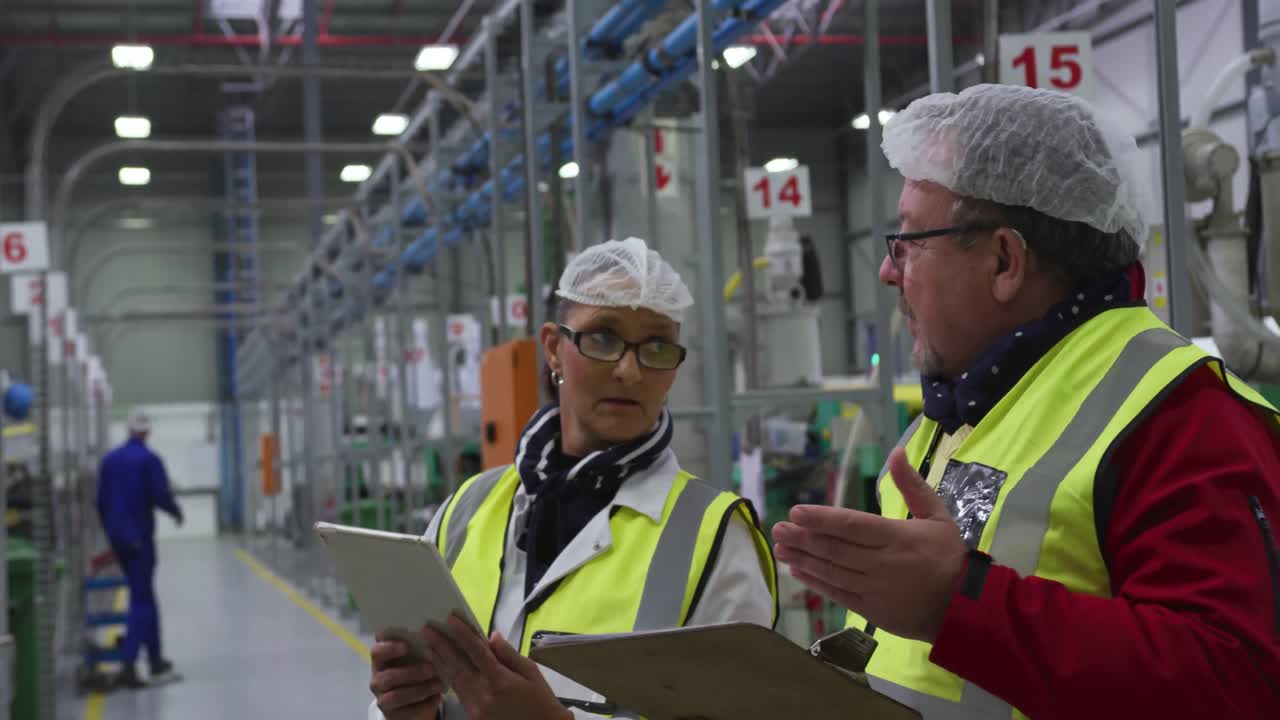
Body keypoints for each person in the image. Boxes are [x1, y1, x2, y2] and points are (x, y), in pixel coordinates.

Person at [772, 83, 1280, 718]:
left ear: (1005, 261)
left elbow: (1233, 683)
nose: (887, 271)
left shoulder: (1178, 414)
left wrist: (958, 604)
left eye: (907, 241)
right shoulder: (957, 411)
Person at [368, 237, 778, 719]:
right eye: (603, 337)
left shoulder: (714, 539)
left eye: (657, 347)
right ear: (553, 349)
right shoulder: (467, 511)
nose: (628, 370)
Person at [97, 407, 183, 689]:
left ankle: (155, 658)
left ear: (128, 430)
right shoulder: (149, 459)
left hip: (119, 538)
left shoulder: (109, 460)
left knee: (145, 594)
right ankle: (129, 665)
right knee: (141, 601)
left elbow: (100, 502)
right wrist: (176, 512)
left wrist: (112, 531)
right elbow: (160, 494)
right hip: (139, 540)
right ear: (147, 432)